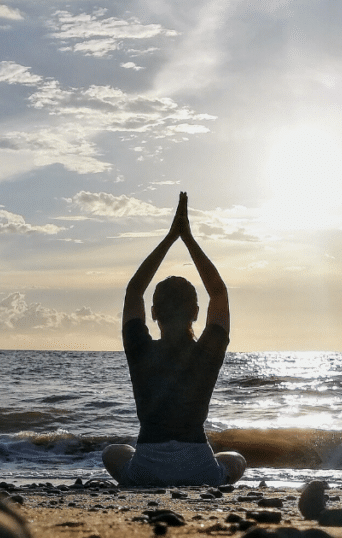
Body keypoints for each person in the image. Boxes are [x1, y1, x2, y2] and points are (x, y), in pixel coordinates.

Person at [102, 192, 247, 486]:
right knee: (235, 460)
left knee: (113, 453)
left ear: (154, 313)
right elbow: (218, 292)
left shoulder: (139, 348)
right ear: (195, 312)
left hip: (146, 470)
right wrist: (188, 239)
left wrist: (170, 239)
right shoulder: (207, 352)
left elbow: (133, 292)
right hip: (199, 470)